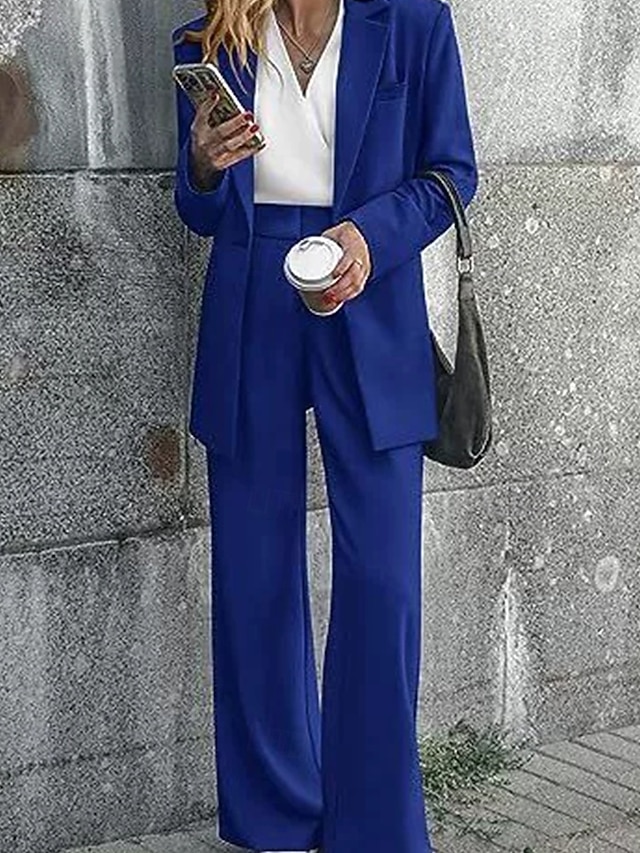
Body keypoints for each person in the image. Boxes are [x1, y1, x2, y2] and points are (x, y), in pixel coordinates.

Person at [171, 0, 478, 851]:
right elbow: (198, 210)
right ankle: (275, 816)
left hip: (367, 300)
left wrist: (371, 238)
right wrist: (201, 163)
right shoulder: (208, 39)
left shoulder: (414, 22)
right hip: (251, 308)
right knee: (254, 573)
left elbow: (453, 171)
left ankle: (372, 827)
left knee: (383, 577)